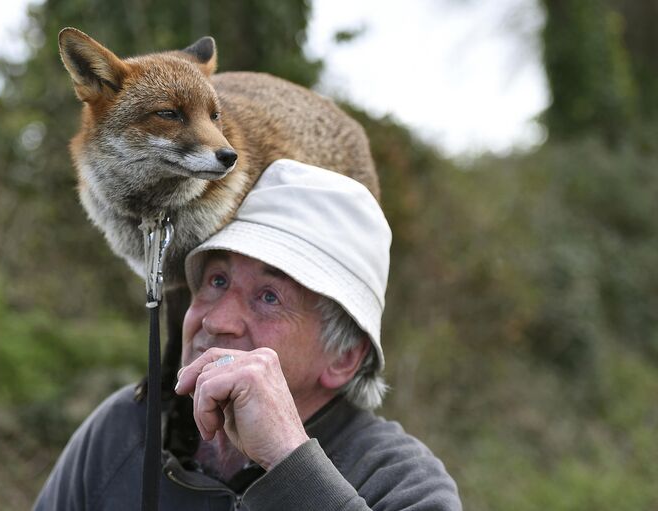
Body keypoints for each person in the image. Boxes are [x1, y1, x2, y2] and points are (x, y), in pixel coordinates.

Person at [34, 160, 462, 510]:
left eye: (269, 297)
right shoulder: (128, 427)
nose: (218, 320)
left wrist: (288, 461)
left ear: (344, 356)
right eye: (217, 280)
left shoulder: (399, 481)